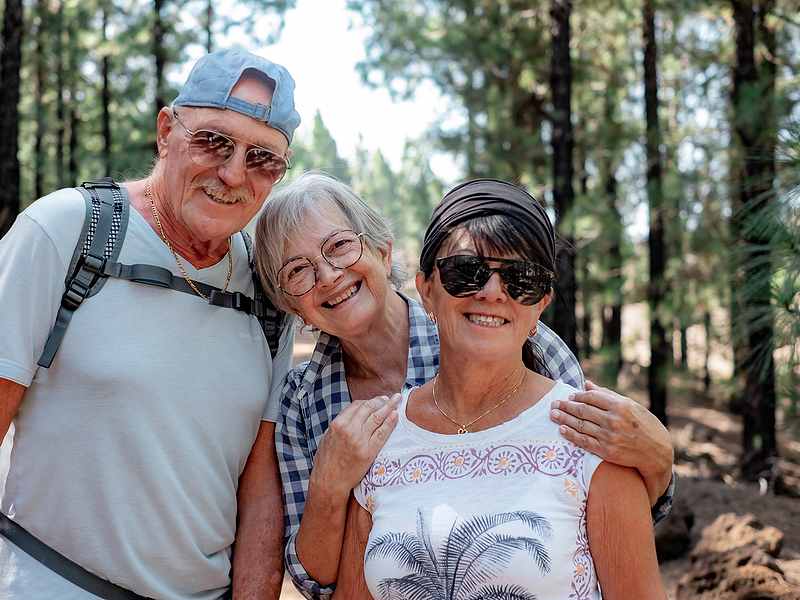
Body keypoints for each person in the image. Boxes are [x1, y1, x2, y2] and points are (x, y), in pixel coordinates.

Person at [0, 50, 300, 600]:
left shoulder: (269, 289)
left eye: (262, 159)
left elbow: (261, 491)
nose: (232, 173)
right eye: (213, 142)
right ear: (165, 132)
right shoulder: (63, 233)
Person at [253, 171, 674, 600]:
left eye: (339, 246)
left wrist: (659, 459)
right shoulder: (302, 403)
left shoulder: (526, 342)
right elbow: (319, 581)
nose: (327, 275)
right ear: (291, 305)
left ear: (383, 252)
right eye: (298, 271)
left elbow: (590, 497)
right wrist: (329, 483)